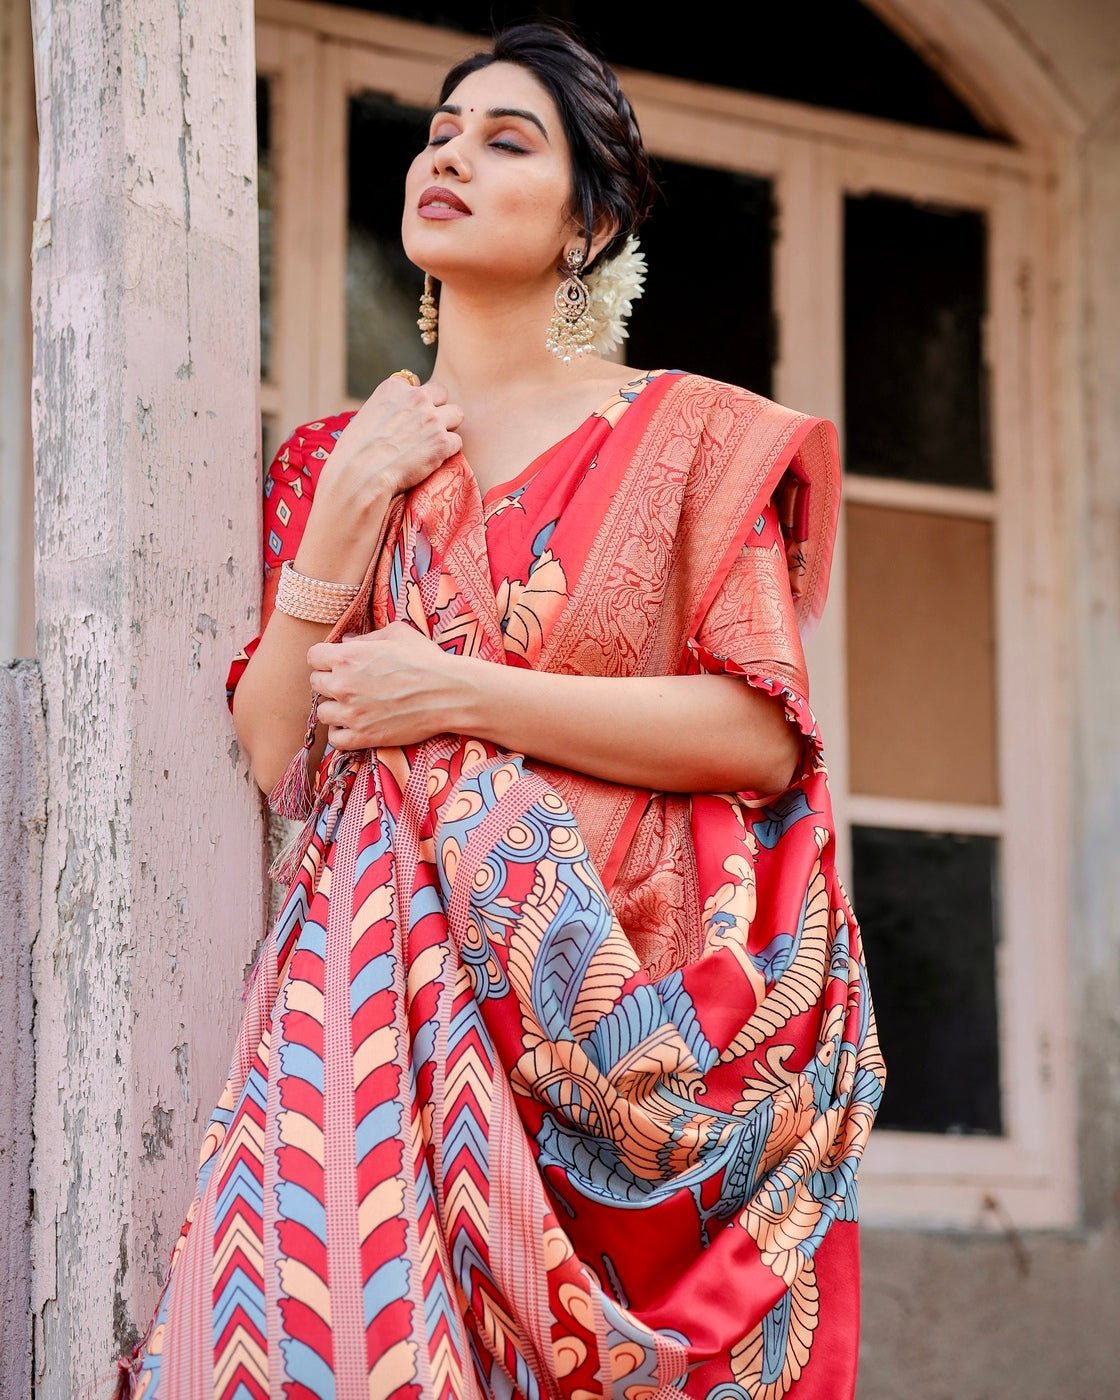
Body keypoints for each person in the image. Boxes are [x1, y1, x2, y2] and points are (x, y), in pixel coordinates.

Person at [115, 20, 884, 1400]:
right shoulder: (338, 458)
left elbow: (761, 734)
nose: (451, 153)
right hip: (387, 1015)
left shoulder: (690, 436)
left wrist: (460, 695)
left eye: (506, 139)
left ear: (589, 225)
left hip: (634, 1011)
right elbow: (278, 750)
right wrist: (344, 519)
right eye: (441, 132)